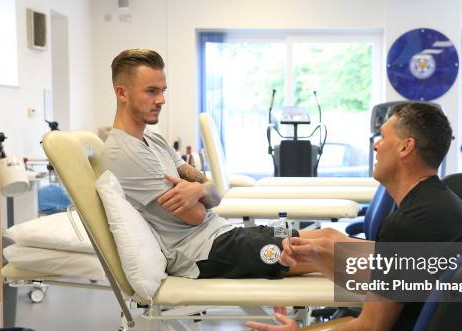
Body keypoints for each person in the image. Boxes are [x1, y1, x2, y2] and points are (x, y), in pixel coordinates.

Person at [244, 103, 462, 331]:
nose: (376, 146)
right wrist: (320, 259)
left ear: (406, 147)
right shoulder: (439, 205)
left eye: (382, 138)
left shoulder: (409, 223)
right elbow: (391, 284)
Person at [101, 48, 342, 280]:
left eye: (163, 90)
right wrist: (203, 190)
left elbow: (215, 196)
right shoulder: (124, 154)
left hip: (225, 231)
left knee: (329, 235)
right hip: (207, 252)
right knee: (329, 253)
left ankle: (379, 289)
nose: (161, 100)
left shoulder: (153, 139)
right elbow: (196, 215)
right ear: (122, 93)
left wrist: (200, 189)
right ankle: (379, 300)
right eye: (151, 91)